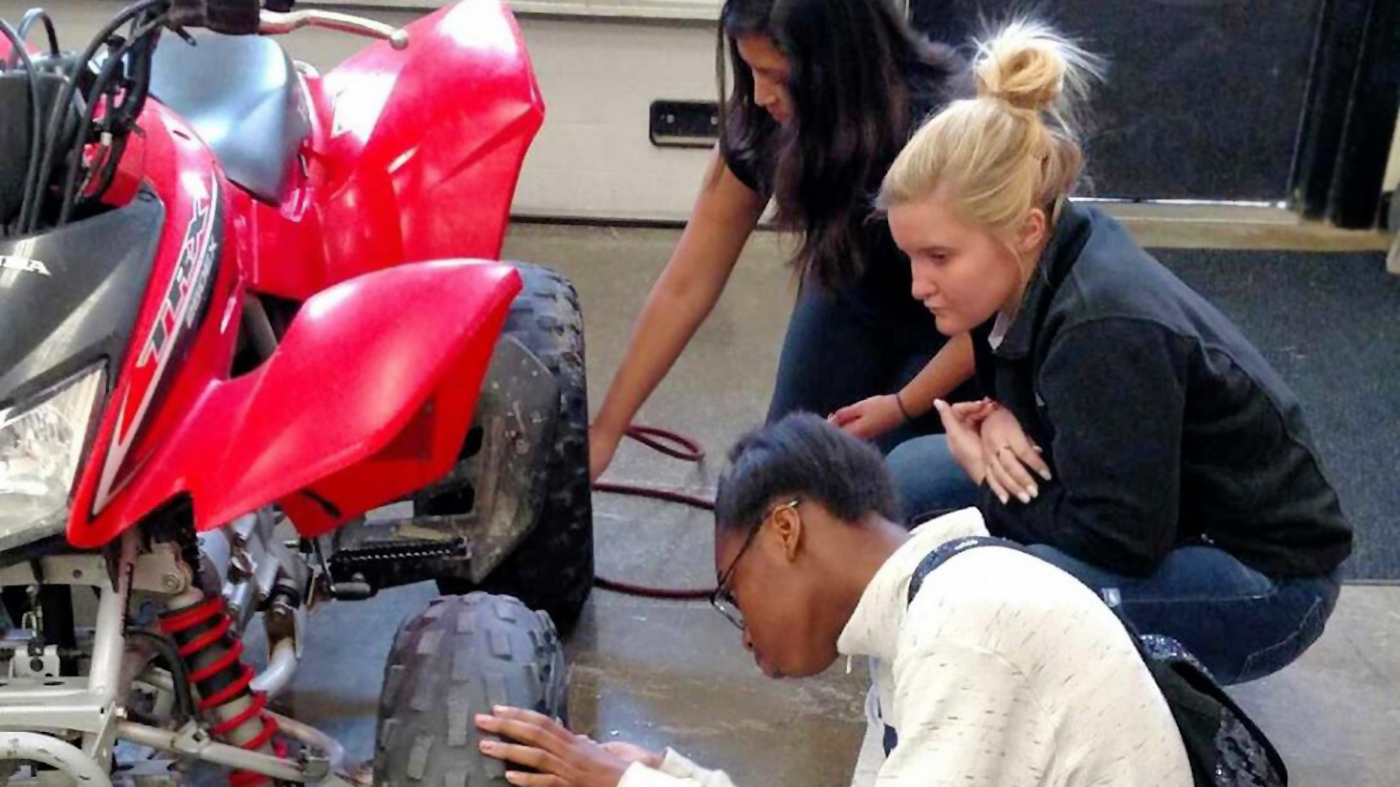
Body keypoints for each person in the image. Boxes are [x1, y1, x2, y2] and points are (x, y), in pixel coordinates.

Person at [877, 20, 1352, 683]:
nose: (918, 284)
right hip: (1162, 513)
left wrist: (988, 472)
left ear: (1024, 229)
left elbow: (1121, 539)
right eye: (911, 256)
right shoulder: (1043, 251)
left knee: (992, 605)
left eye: (939, 257)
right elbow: (1017, 359)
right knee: (907, 473)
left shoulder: (1102, 329)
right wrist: (1003, 416)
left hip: (1268, 583)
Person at [474, 414, 1193, 787]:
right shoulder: (935, 605)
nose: (745, 630)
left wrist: (629, 784)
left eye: (734, 591)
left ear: (785, 528)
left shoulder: (967, 630)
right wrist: (665, 771)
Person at [588, 0, 980, 488]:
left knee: (897, 497)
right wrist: (605, 430)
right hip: (851, 295)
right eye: (750, 71)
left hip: (962, 332)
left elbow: (1009, 315)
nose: (757, 95)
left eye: (774, 74)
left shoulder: (950, 122)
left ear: (834, 65)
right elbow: (687, 284)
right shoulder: (764, 123)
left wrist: (906, 404)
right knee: (772, 488)